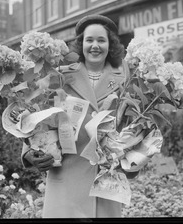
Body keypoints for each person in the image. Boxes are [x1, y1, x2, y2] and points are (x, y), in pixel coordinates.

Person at [21, 14, 138, 218]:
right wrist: (29, 152)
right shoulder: (60, 74)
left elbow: (135, 122)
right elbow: (37, 113)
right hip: (66, 177)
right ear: (81, 43)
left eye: (101, 40)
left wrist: (135, 156)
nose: (95, 45)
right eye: (89, 40)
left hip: (105, 181)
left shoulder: (125, 76)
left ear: (110, 44)